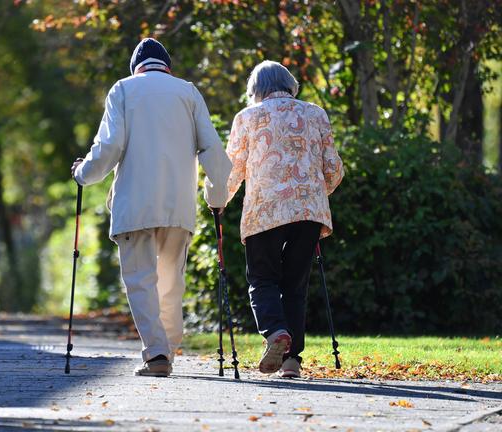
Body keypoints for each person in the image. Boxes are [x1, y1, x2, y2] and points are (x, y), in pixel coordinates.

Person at [71, 38, 232, 377]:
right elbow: (213, 150)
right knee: (171, 282)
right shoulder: (188, 92)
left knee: (140, 281)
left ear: (136, 68)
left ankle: (157, 353)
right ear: (167, 67)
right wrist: (217, 196)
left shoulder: (123, 90)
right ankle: (167, 348)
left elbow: (109, 145)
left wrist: (83, 173)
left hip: (135, 204)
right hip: (178, 205)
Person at [223, 60, 344, 378]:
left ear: (255, 90)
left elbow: (233, 169)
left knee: (262, 278)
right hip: (309, 211)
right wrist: (317, 194)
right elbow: (333, 168)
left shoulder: (247, 117)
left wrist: (219, 201)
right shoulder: (315, 113)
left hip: (265, 210)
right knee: (295, 285)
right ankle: (292, 361)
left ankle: (276, 331)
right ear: (291, 85)